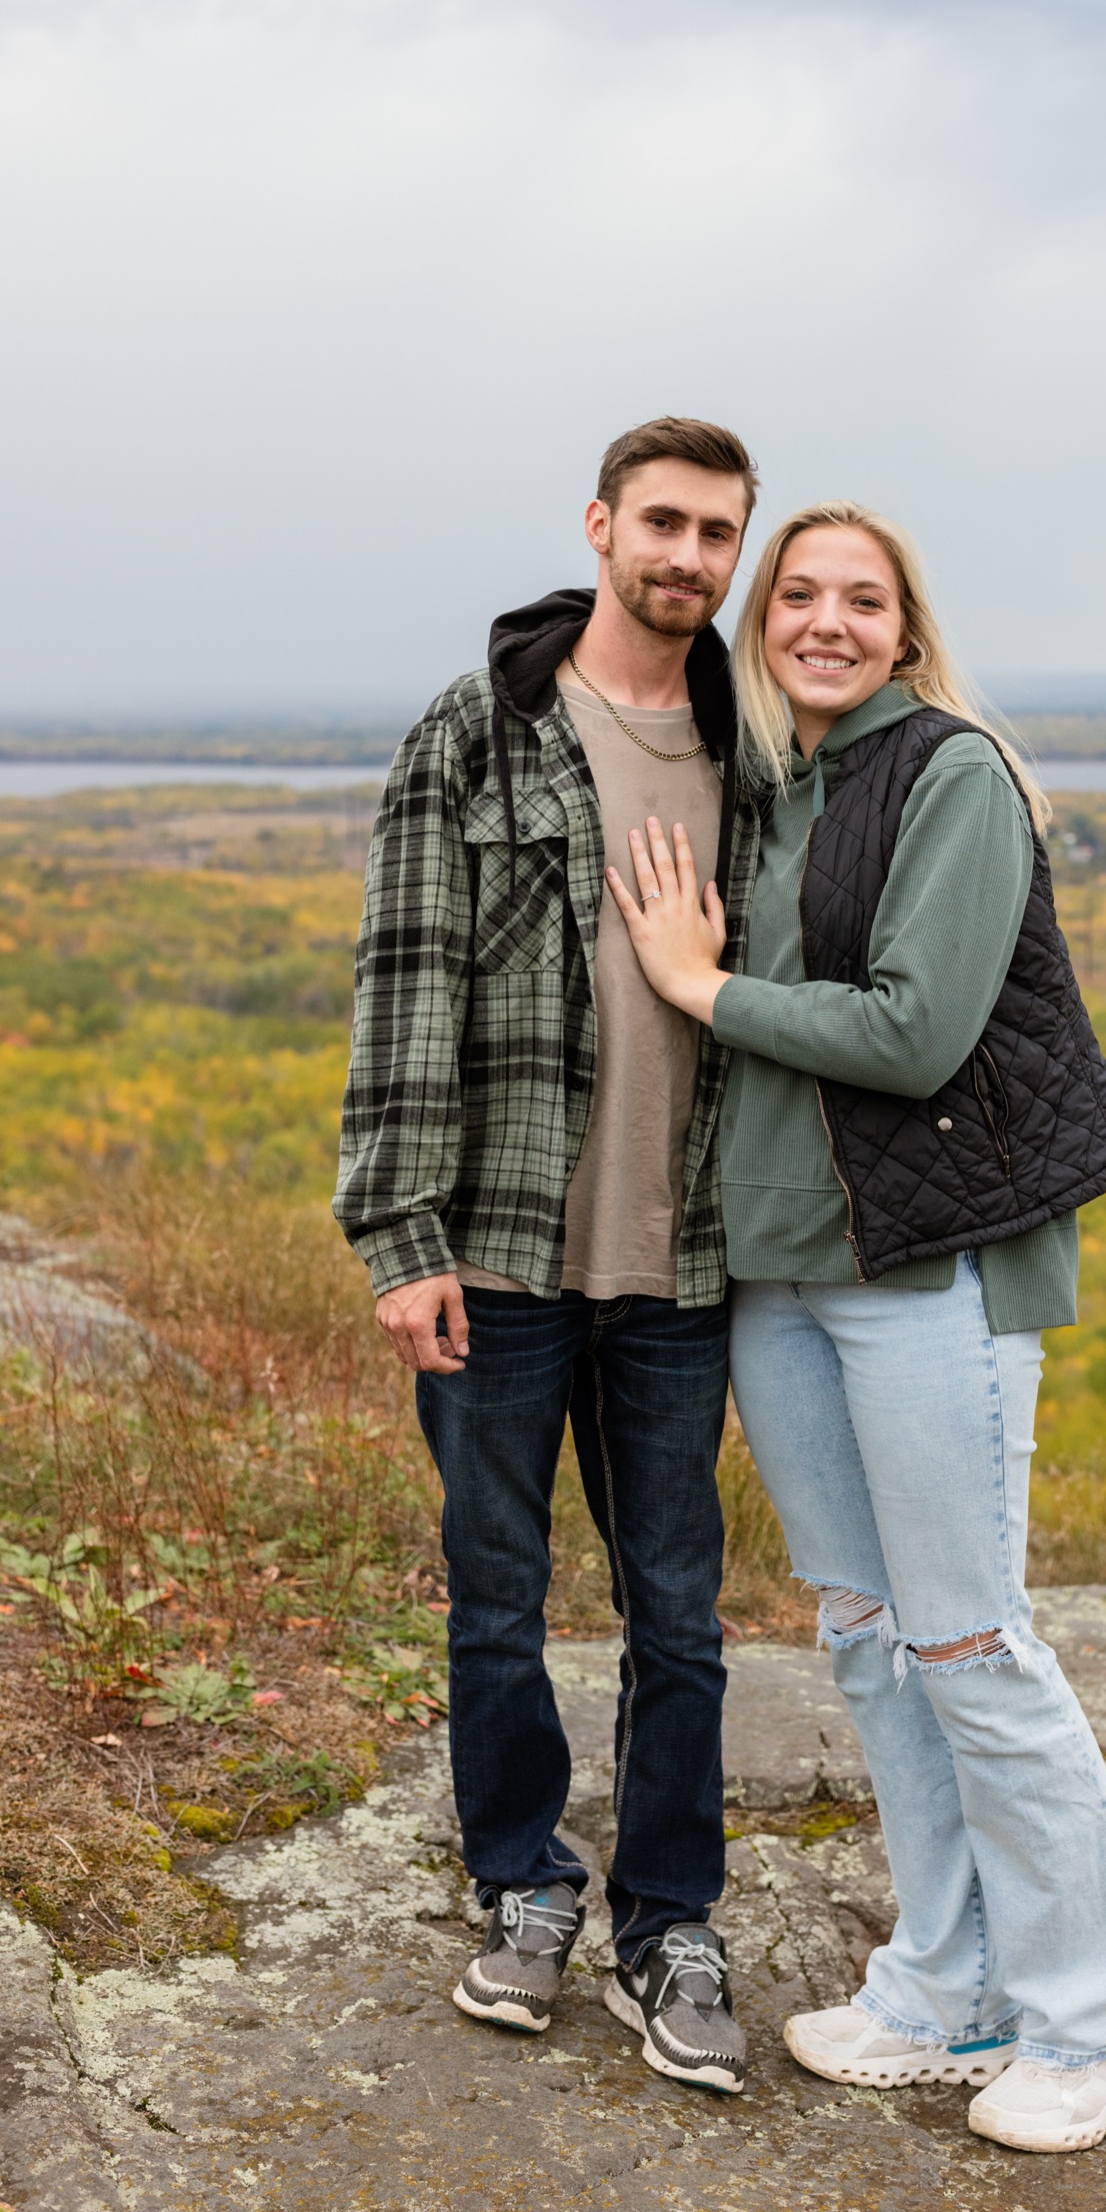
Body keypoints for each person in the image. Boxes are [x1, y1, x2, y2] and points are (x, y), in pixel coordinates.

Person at [605, 499, 1106, 2153]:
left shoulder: (954, 777)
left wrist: (700, 988)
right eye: (801, 596)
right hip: (784, 1277)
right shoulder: (784, 790)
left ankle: (1102, 2010)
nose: (829, 622)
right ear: (765, 622)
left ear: (908, 630)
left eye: (865, 600)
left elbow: (920, 1034)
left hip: (933, 1275)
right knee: (867, 1641)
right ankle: (954, 1985)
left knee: (971, 1645)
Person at [334, 416, 765, 2095]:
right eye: (663, 522)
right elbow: (401, 980)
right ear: (598, 526)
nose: (689, 558)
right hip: (500, 1258)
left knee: (682, 1612)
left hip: (691, 1262)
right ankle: (521, 1886)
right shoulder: (482, 729)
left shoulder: (756, 745)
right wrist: (398, 1235)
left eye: (718, 534)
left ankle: (673, 1924)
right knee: (498, 1604)